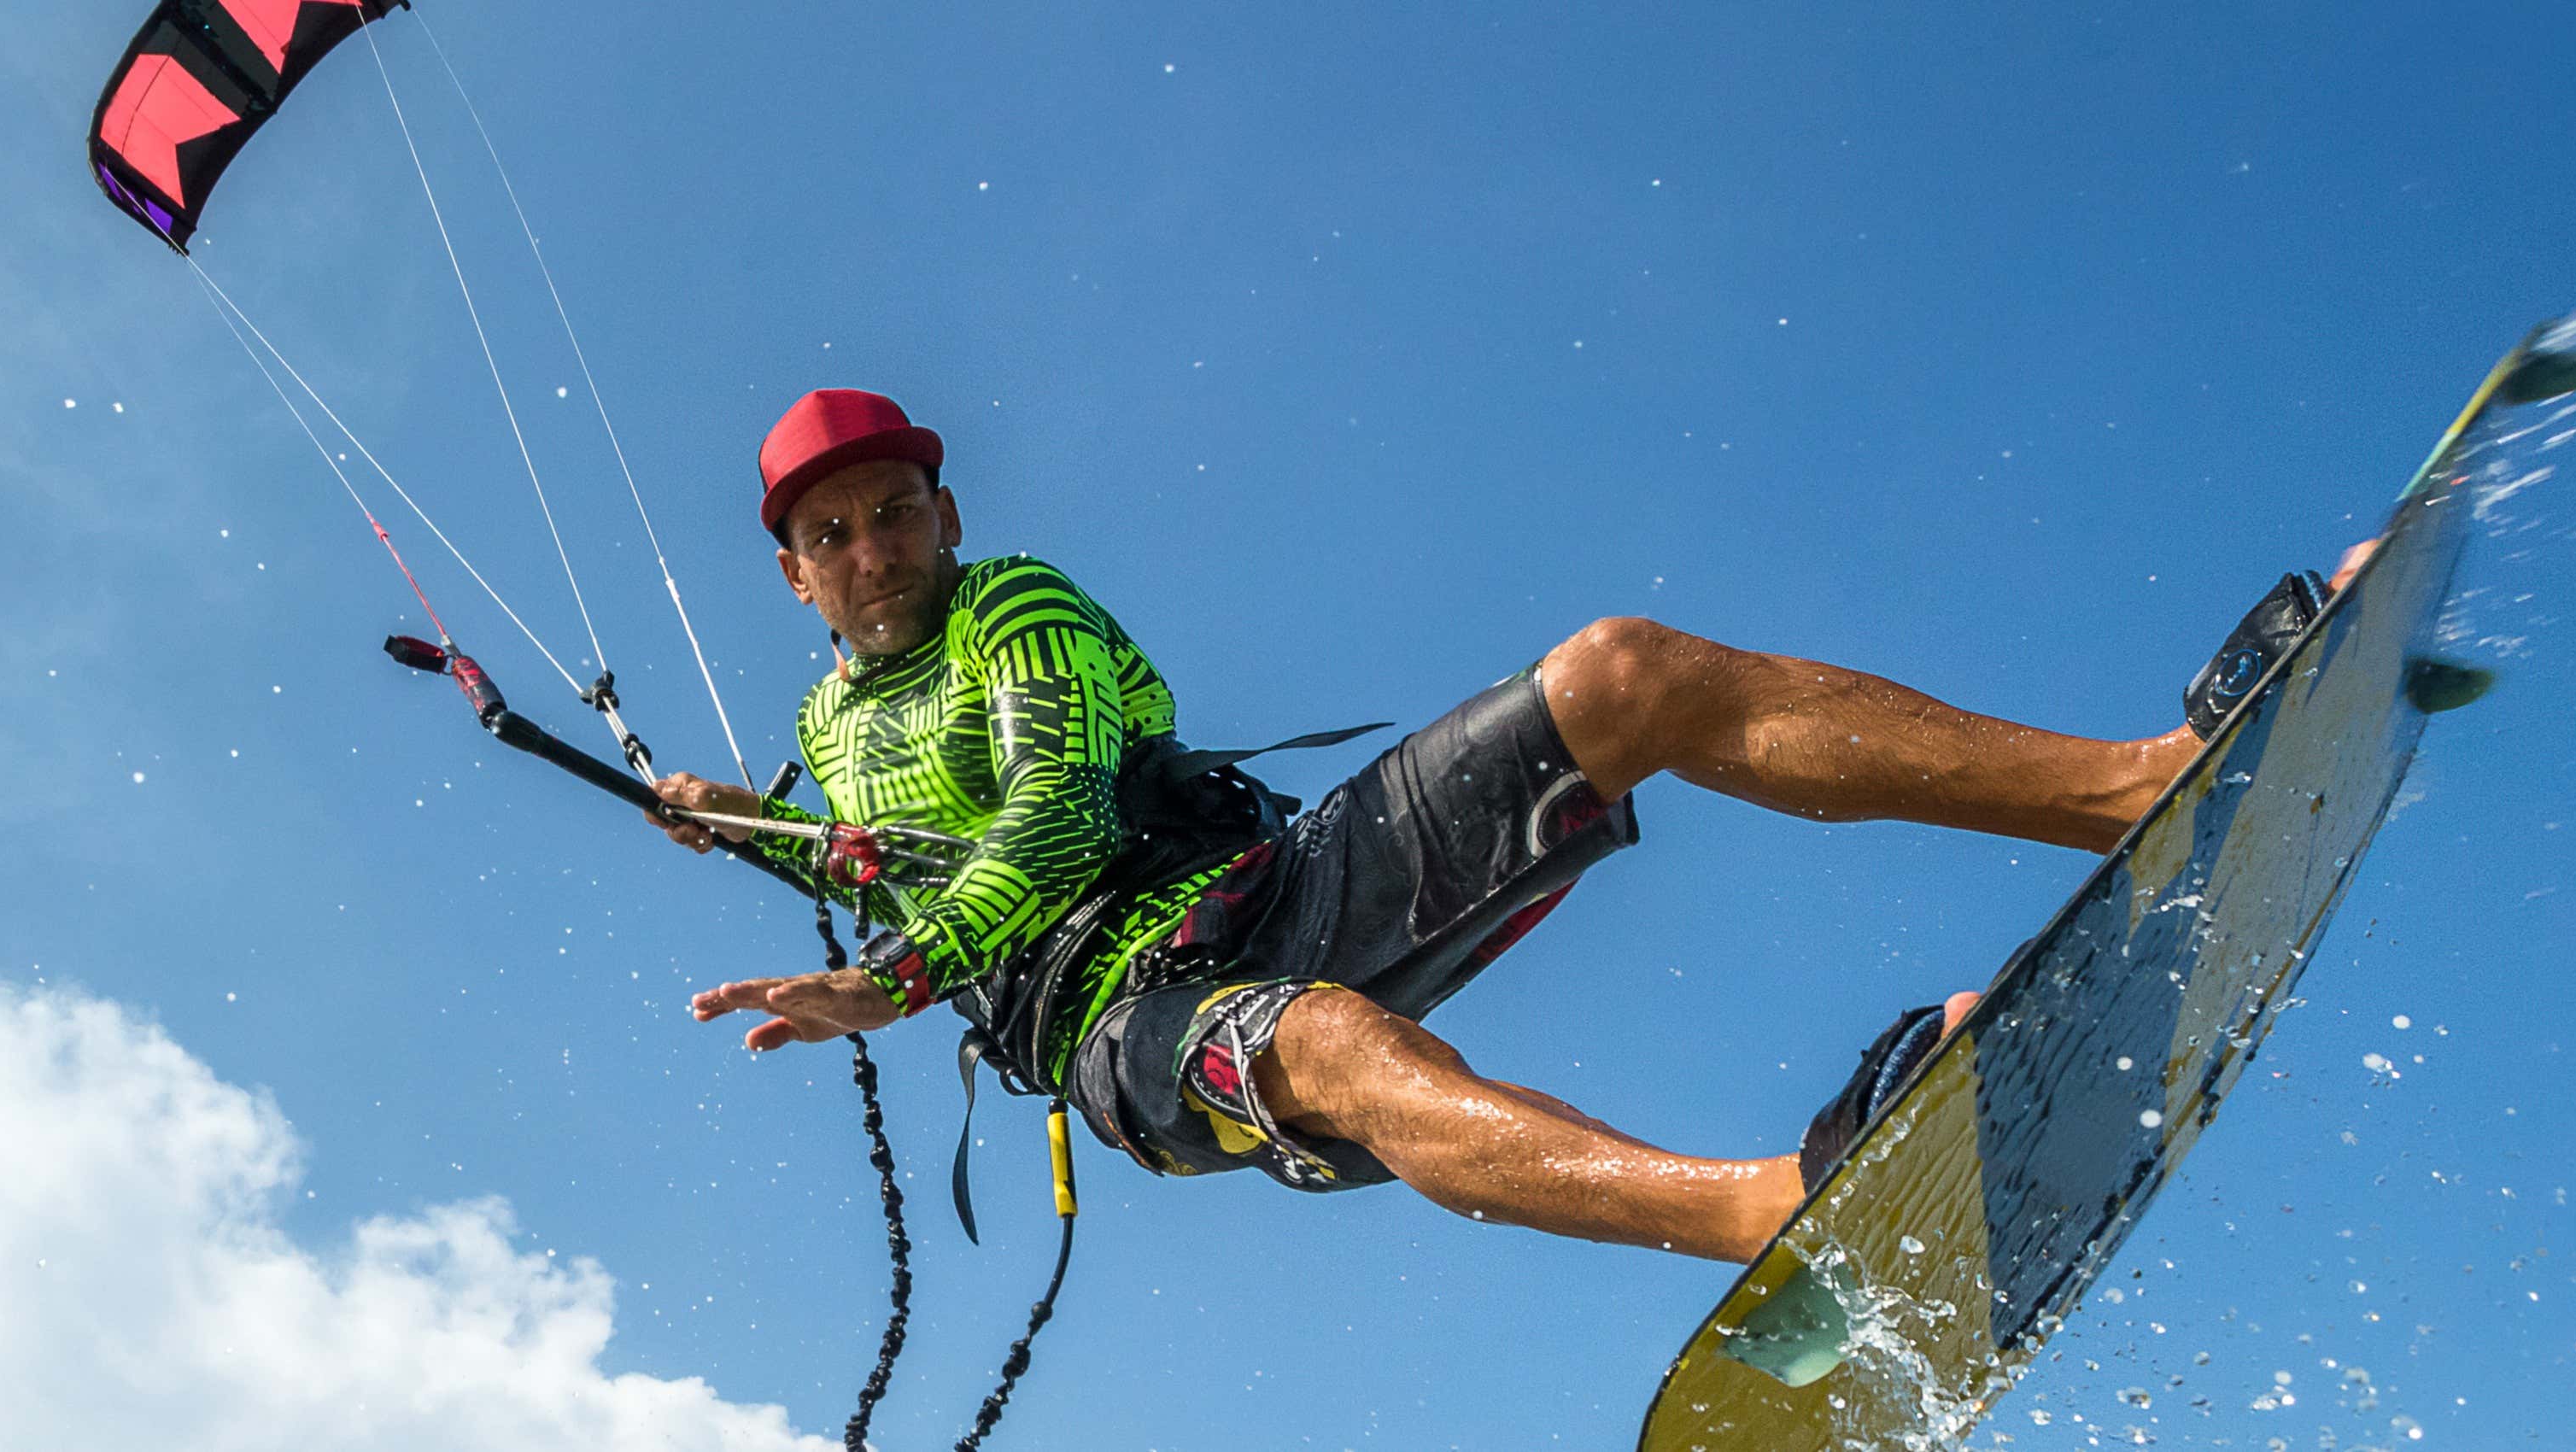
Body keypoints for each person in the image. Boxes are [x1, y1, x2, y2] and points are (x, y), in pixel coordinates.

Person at [654, 389, 2351, 1262]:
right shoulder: (822, 736)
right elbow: (904, 863)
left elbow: (1046, 808)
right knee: (1327, 1048)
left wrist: (891, 979)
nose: (875, 551)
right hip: (1119, 1026)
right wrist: (754, 828)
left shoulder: (1009, 606)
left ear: (944, 510)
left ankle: (2129, 789)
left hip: (1261, 886)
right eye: (834, 537)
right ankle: (1772, 1210)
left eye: (895, 513)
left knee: (1626, 674)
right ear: (793, 575)